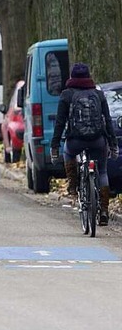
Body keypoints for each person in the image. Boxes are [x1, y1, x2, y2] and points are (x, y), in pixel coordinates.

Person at [50, 62, 118, 225]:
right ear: (88, 77)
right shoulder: (98, 94)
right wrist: (113, 144)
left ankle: (73, 186)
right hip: (98, 140)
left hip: (75, 141)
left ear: (72, 77)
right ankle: (103, 210)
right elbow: (107, 121)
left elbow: (60, 123)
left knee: (68, 153)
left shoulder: (66, 95)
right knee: (102, 171)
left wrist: (54, 147)